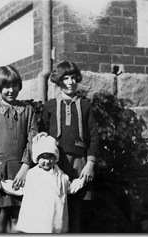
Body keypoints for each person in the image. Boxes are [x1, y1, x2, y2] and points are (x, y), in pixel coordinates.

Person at [39, 61, 102, 232]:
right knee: (56, 206)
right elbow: (42, 137)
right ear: (59, 81)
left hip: (80, 163)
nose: (70, 82)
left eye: (73, 78)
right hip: (57, 163)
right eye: (65, 78)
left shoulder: (85, 106)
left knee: (77, 208)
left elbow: (94, 137)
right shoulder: (49, 106)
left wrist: (90, 164)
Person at [0, 65, 38, 232]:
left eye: (14, 85)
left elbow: (33, 141)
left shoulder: (28, 111)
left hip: (21, 170)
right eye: (6, 86)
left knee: (18, 217)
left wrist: (26, 167)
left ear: (19, 85)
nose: (11, 90)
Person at [16, 134, 85, 233]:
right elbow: (19, 188)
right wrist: (2, 184)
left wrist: (82, 180)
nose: (47, 161)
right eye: (43, 158)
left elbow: (70, 188)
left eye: (50, 157)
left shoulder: (61, 176)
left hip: (54, 221)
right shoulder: (32, 175)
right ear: (37, 158)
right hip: (37, 222)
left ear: (56, 158)